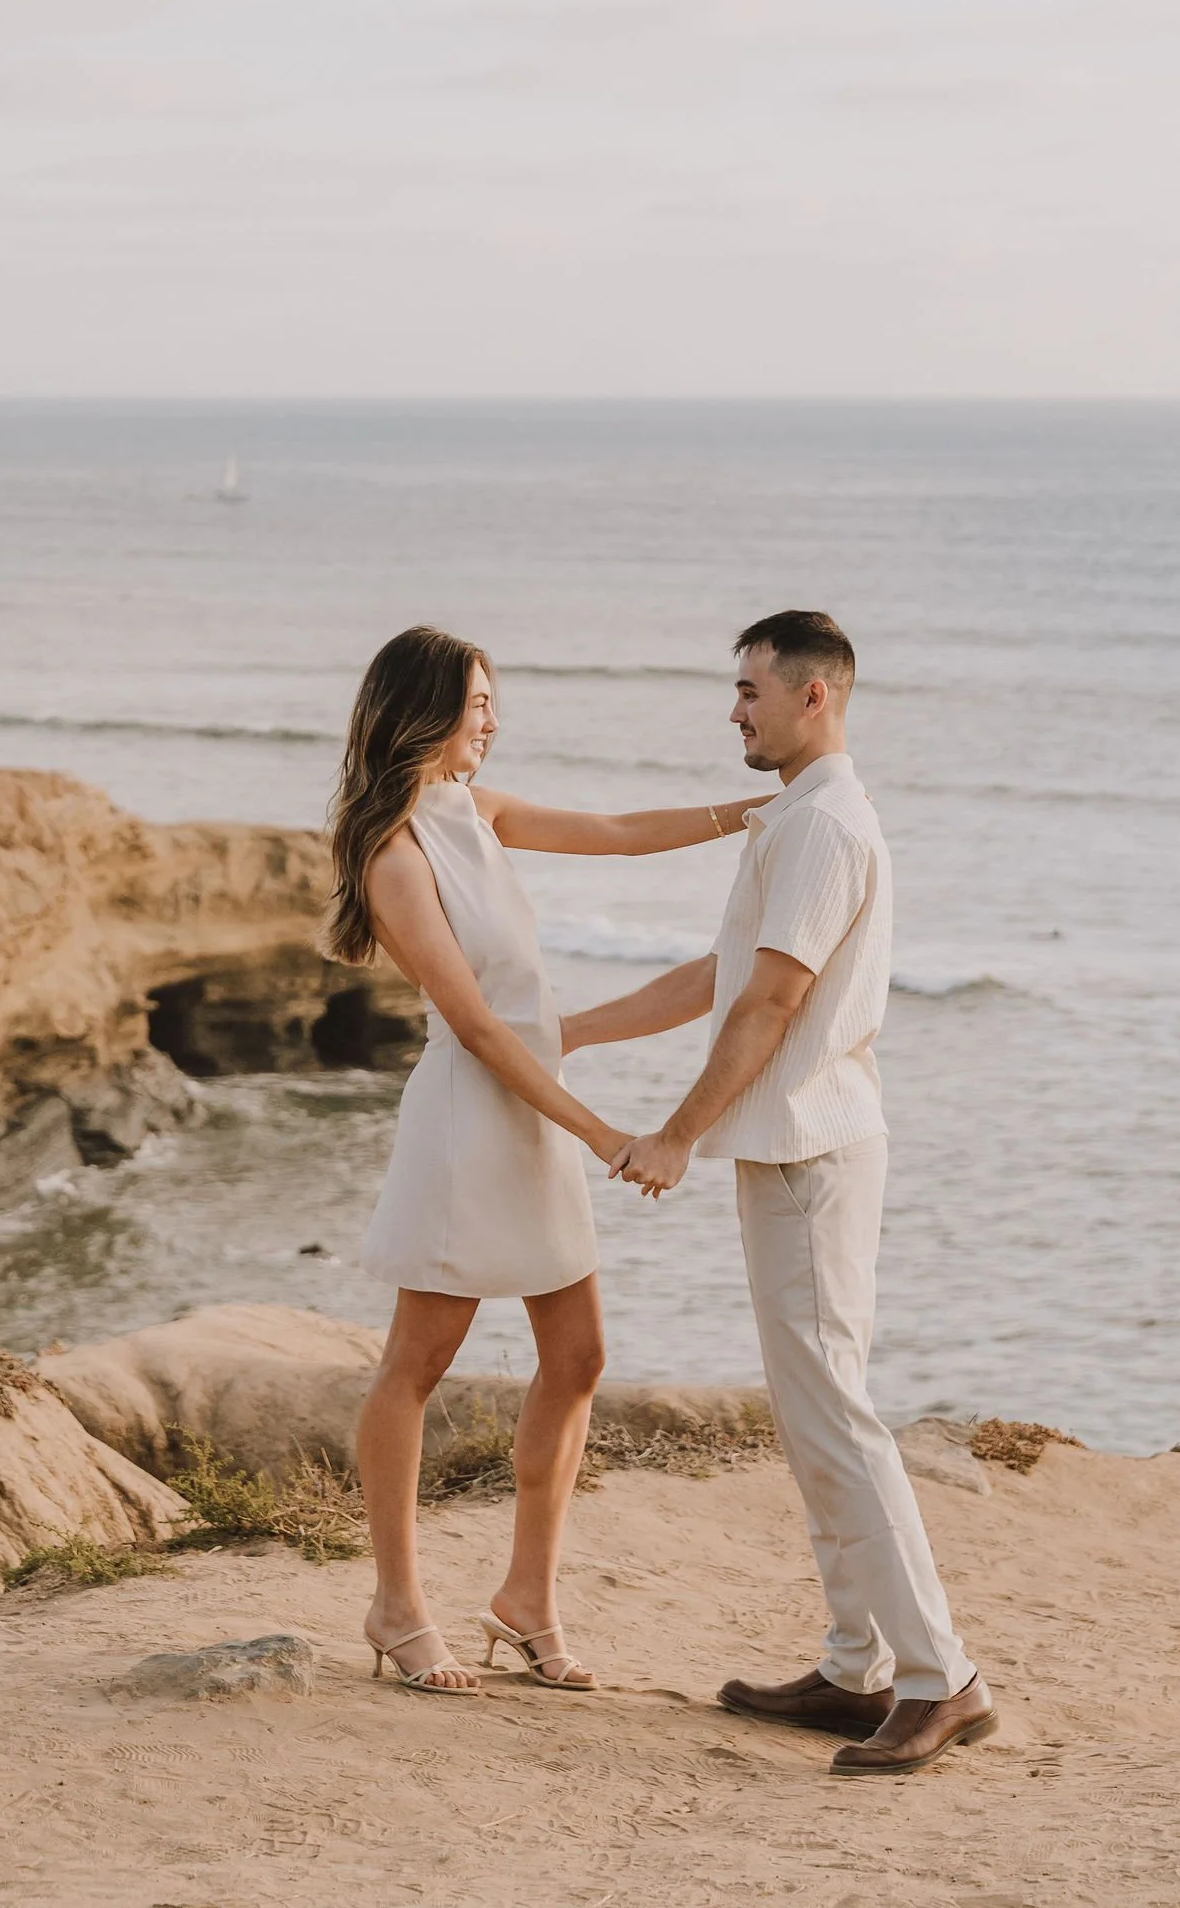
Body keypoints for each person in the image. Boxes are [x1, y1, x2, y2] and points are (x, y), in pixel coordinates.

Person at [336, 624, 770, 1696]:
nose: (492, 719)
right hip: (467, 1123)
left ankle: (525, 1597)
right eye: (478, 702)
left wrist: (755, 813)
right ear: (426, 709)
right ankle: (395, 1605)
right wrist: (601, 1131)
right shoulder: (392, 851)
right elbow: (479, 1028)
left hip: (526, 1111)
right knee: (415, 1365)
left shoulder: (475, 812)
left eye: (492, 701)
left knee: (576, 1357)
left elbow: (618, 831)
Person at [599, 610, 996, 1775]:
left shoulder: (823, 826)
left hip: (812, 1151)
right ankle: (853, 1667)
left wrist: (675, 1133)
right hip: (792, 1145)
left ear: (812, 696)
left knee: (836, 1414)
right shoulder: (800, 819)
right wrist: (569, 1032)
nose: (732, 708)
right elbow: (720, 979)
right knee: (814, 1412)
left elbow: (769, 1006)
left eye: (747, 690)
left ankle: (942, 1680)